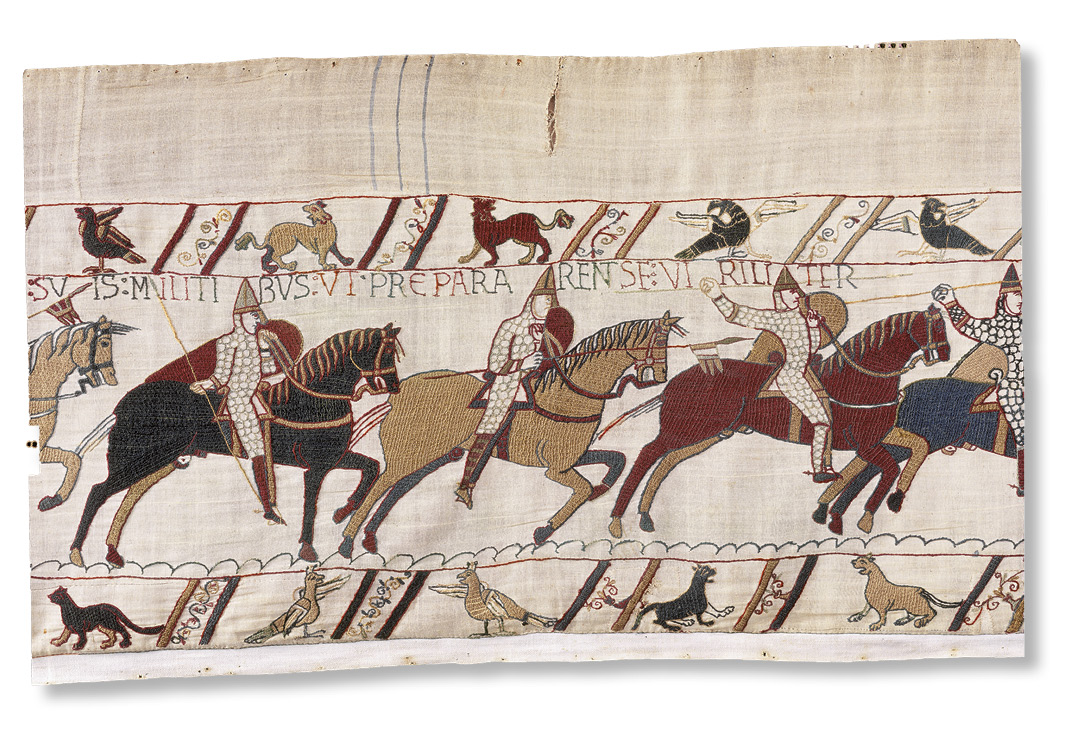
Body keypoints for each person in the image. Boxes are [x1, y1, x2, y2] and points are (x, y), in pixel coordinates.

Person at [699, 268, 839, 482]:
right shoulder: (778, 319)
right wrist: (717, 296)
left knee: (823, 422)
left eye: (797, 291)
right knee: (822, 423)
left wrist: (812, 327)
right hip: (791, 378)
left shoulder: (801, 318)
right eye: (791, 291)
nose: (796, 295)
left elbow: (810, 350)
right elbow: (741, 314)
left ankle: (821, 467)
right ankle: (819, 470)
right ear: (779, 295)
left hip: (800, 375)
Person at [456, 268, 570, 507]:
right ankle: (466, 485)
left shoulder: (552, 330)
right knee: (492, 425)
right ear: (531, 300)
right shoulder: (511, 326)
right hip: (510, 383)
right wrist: (522, 363)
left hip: (541, 383)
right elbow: (495, 363)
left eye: (551, 300)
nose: (547, 303)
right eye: (543, 298)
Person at [190, 281, 294, 522]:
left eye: (257, 316)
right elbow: (221, 375)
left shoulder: (257, 341)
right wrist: (206, 384)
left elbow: (267, 370)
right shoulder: (228, 342)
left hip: (255, 397)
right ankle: (268, 507)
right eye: (252, 316)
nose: (257, 321)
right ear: (239, 318)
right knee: (258, 450)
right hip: (238, 399)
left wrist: (266, 349)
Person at [932, 265, 1023, 494]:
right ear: (1003, 299)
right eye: (1016, 295)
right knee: (1023, 429)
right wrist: (950, 302)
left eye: (1022, 295)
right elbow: (970, 326)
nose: (1021, 300)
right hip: (1013, 389)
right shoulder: (1000, 328)